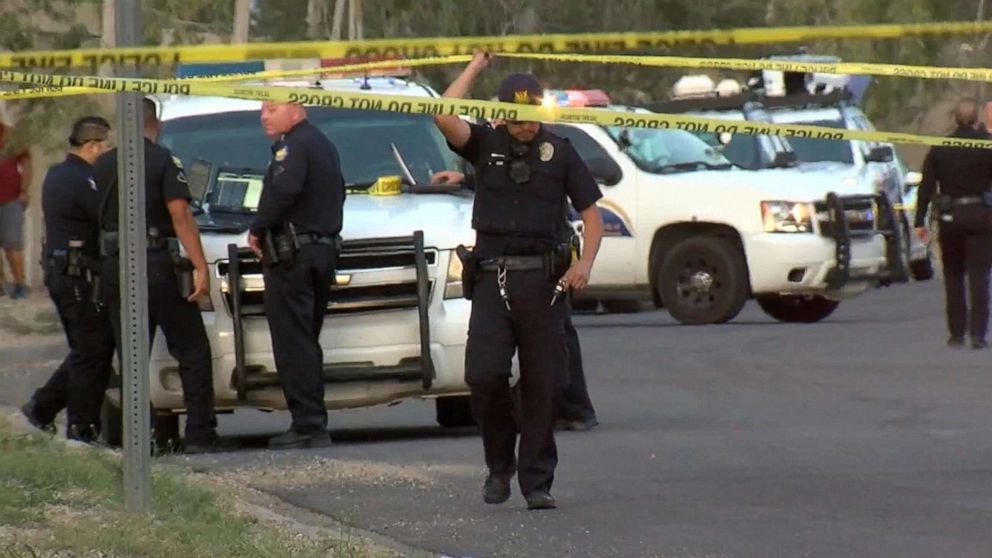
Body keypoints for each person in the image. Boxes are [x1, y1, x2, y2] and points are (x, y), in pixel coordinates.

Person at [434, 53, 604, 510]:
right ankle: (498, 465)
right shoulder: (484, 144)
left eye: (532, 119)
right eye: (517, 118)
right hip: (493, 280)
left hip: (545, 284)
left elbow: (592, 215)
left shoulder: (561, 151)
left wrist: (583, 264)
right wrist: (474, 67)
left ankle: (537, 482)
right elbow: (441, 111)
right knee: (484, 375)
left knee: (545, 385)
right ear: (503, 113)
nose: (526, 127)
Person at [95, 97, 222, 453]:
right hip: (155, 266)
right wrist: (199, 265)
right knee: (193, 349)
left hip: (115, 265)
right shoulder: (162, 160)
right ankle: (199, 433)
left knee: (132, 355)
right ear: (156, 124)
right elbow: (180, 215)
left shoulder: (103, 165)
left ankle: (144, 437)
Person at [431, 168, 599, 432]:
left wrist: (469, 179)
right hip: (516, 255)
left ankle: (572, 407)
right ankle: (565, 407)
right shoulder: (498, 144)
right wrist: (467, 178)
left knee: (555, 334)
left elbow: (526, 177)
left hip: (545, 250)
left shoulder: (547, 148)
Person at [246, 100, 345, 450]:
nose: (264, 116)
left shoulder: (295, 146)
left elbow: (284, 190)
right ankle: (311, 418)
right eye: (262, 110)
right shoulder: (321, 143)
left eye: (271, 108)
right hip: (319, 251)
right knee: (304, 338)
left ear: (297, 109)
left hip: (295, 257)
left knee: (294, 341)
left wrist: (257, 228)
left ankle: (308, 423)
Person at [20, 116, 116, 442]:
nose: (107, 153)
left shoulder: (59, 173)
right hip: (76, 275)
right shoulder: (81, 179)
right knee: (92, 349)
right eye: (105, 148)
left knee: (89, 348)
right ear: (92, 146)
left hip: (66, 273)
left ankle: (44, 408)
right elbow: (105, 215)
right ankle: (79, 425)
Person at [915, 98, 992, 349]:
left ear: (955, 119)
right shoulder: (988, 146)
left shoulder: (941, 148)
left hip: (951, 217)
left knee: (953, 276)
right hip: (981, 214)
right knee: (979, 277)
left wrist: (919, 220)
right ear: (976, 118)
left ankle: (956, 334)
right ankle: (978, 335)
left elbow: (926, 186)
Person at [0, 121, 33, 299]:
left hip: (10, 199)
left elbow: (27, 164)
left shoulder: (12, 135)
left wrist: (24, 191)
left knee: (12, 244)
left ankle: (20, 284)